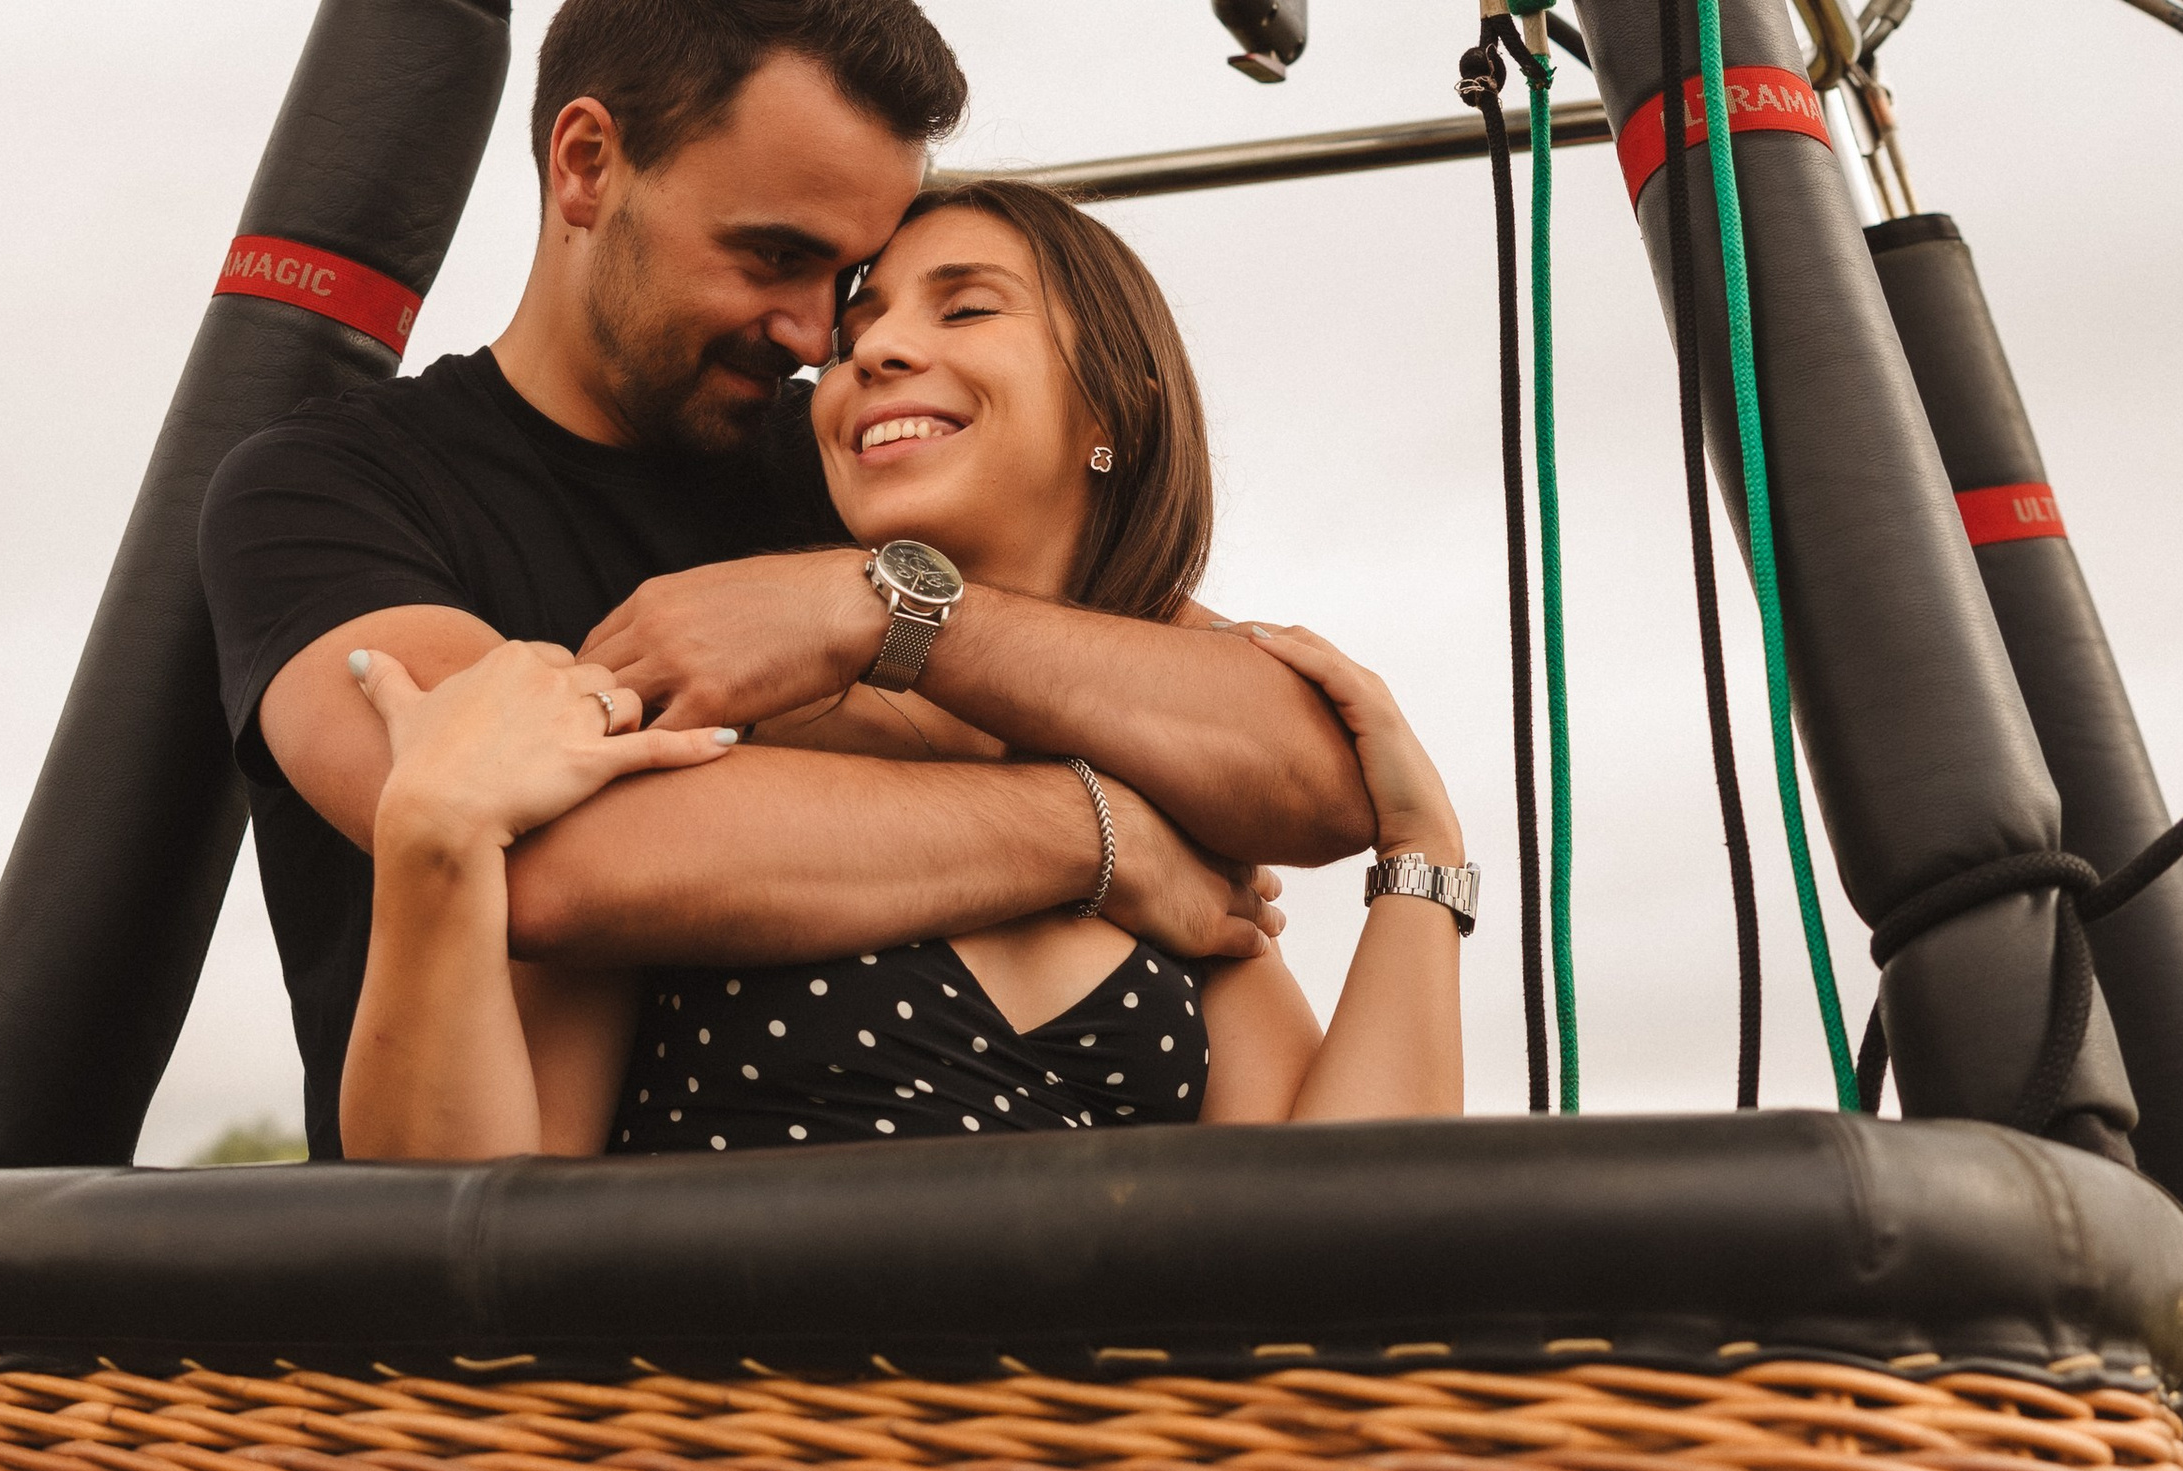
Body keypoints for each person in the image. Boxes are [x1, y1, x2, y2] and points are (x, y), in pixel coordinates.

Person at [200, 0, 1375, 1155]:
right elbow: (547, 859)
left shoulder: (866, 470)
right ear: (586, 165)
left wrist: (873, 614)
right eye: (773, 258)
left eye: (846, 283)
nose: (821, 338)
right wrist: (1092, 827)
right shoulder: (328, 493)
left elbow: (1301, 775)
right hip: (524, 1290)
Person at [339, 177, 1469, 1158]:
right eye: (851, 336)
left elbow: (1337, 1260)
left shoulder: (1175, 830)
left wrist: (1423, 865)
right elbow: (479, 1206)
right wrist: (429, 840)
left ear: (1115, 405)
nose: (867, 348)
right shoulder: (714, 731)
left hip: (1100, 1412)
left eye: (967, 307)